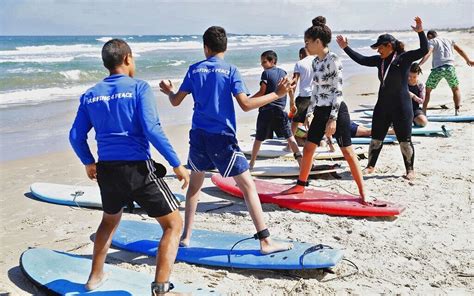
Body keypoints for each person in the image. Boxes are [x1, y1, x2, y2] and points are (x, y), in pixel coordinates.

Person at [69, 39, 189, 295]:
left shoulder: (90, 94)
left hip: (107, 170)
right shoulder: (139, 88)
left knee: (109, 221)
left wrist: (88, 161)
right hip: (138, 170)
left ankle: (94, 277)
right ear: (127, 59)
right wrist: (176, 164)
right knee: (173, 225)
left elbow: (75, 136)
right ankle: (161, 289)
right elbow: (151, 129)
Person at [159, 26, 292, 254]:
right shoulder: (230, 70)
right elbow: (246, 104)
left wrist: (170, 91)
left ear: (205, 48)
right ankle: (265, 241)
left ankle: (186, 237)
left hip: (198, 135)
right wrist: (277, 95)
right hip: (222, 138)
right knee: (248, 186)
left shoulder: (194, 70)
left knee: (194, 186)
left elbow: (175, 102)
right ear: (225, 47)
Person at [281, 16, 366, 202]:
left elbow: (338, 90)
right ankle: (300, 185)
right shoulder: (315, 62)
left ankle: (362, 193)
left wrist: (333, 119)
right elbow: (316, 90)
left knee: (347, 152)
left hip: (336, 110)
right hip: (320, 109)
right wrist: (309, 112)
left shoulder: (333, 60)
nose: (306, 46)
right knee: (309, 148)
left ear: (318, 42)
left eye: (307, 42)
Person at [336, 16, 428, 180]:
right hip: (383, 106)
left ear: (389, 46)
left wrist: (420, 32)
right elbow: (362, 60)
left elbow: (423, 50)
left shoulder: (403, 58)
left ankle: (410, 170)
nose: (378, 51)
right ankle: (370, 166)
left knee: (405, 141)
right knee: (376, 139)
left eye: (380, 48)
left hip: (402, 106)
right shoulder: (380, 61)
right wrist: (345, 48)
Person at [249, 50, 301, 170]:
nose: (262, 65)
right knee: (290, 137)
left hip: (266, 109)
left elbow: (262, 92)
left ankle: (251, 163)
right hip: (280, 111)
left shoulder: (265, 73)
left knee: (259, 138)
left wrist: (249, 100)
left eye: (264, 62)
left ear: (272, 61)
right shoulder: (283, 73)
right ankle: (300, 162)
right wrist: (292, 102)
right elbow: (290, 89)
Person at [419, 30, 474, 115]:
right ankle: (457, 110)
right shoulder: (448, 39)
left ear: (429, 36)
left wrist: (420, 64)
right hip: (450, 68)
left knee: (428, 90)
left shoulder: (432, 41)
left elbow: (429, 53)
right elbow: (460, 50)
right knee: (455, 89)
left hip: (438, 69)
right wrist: (468, 60)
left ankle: (424, 111)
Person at [289, 47, 314, 146]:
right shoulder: (317, 60)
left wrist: (291, 100)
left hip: (304, 96)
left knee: (295, 121)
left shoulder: (299, 63)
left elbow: (294, 82)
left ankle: (290, 146)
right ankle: (325, 142)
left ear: (300, 55)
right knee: (316, 120)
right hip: (318, 95)